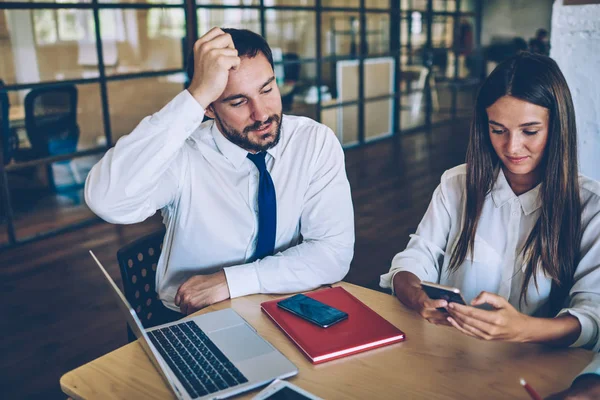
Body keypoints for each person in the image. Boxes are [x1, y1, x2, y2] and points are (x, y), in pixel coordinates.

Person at [85, 27, 354, 316]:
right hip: (193, 317)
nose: (261, 114)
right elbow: (108, 201)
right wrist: (195, 96)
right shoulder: (183, 155)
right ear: (210, 108)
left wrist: (231, 281)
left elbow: (332, 253)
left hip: (280, 303)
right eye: (238, 102)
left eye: (267, 89)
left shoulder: (313, 141)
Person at [380, 52, 600, 351]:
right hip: (448, 355)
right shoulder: (456, 184)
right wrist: (416, 293)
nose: (512, 147)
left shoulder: (590, 206)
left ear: (557, 128)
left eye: (530, 131)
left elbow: (592, 314)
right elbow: (416, 258)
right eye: (498, 130)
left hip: (537, 369)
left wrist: (525, 329)